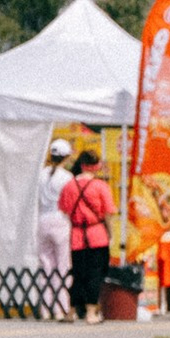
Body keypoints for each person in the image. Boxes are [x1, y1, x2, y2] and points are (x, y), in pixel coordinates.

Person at [60, 151, 117, 324]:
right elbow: (108, 213)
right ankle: (91, 312)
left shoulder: (69, 186)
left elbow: (64, 209)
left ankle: (71, 311)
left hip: (77, 235)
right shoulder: (100, 186)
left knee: (78, 274)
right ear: (97, 166)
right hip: (97, 234)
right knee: (95, 274)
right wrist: (111, 234)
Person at [37, 138, 75, 286]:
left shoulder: (41, 174)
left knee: (45, 264)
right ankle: (61, 304)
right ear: (66, 157)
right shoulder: (67, 177)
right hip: (60, 220)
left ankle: (46, 306)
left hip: (42, 219)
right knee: (62, 264)